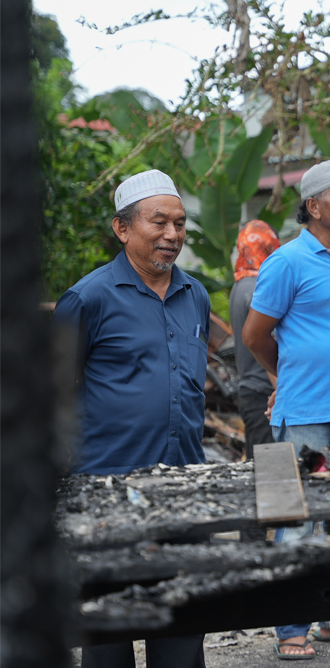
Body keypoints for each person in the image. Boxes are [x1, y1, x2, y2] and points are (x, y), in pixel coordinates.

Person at [53, 169, 208, 668]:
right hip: (106, 493)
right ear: (123, 229)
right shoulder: (87, 299)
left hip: (183, 490)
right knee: (108, 645)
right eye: (158, 222)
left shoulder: (196, 296)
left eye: (180, 224)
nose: (172, 235)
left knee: (182, 635)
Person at [241, 159, 330, 659]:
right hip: (303, 409)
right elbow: (255, 335)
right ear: (314, 205)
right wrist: (282, 377)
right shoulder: (286, 262)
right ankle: (290, 628)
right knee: (296, 516)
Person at [229, 220, 280, 459]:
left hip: (250, 391)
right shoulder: (258, 288)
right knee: (270, 469)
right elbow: (263, 340)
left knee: (257, 467)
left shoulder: (240, 285)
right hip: (264, 393)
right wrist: (282, 390)